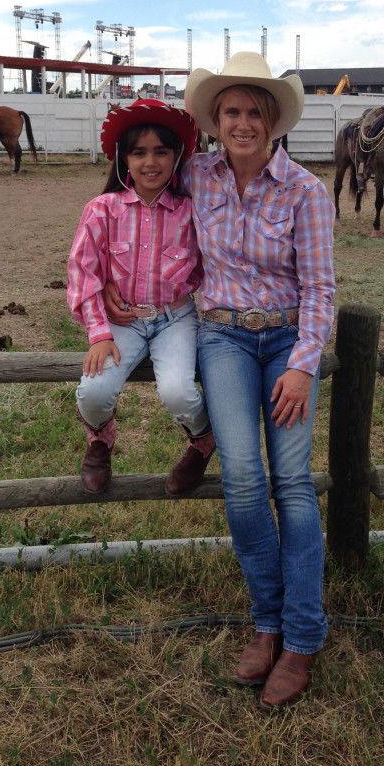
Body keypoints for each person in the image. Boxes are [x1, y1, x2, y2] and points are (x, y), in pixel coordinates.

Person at [108, 54, 335, 708]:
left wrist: (302, 363)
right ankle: (268, 622)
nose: (242, 122)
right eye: (231, 111)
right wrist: (108, 291)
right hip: (225, 338)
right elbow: (130, 214)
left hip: (287, 337)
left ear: (271, 121)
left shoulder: (304, 192)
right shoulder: (197, 178)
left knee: (291, 481)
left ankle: (302, 635)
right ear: (213, 121)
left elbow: (321, 289)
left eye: (253, 112)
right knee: (242, 480)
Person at [66, 98, 216, 497]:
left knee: (178, 392)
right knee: (95, 391)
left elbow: (210, 265)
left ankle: (203, 441)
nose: (151, 163)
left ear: (177, 156)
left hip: (175, 318)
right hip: (121, 321)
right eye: (139, 152)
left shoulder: (191, 212)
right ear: (123, 160)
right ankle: (100, 440)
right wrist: (99, 332)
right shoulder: (102, 210)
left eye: (161, 152)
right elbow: (83, 270)